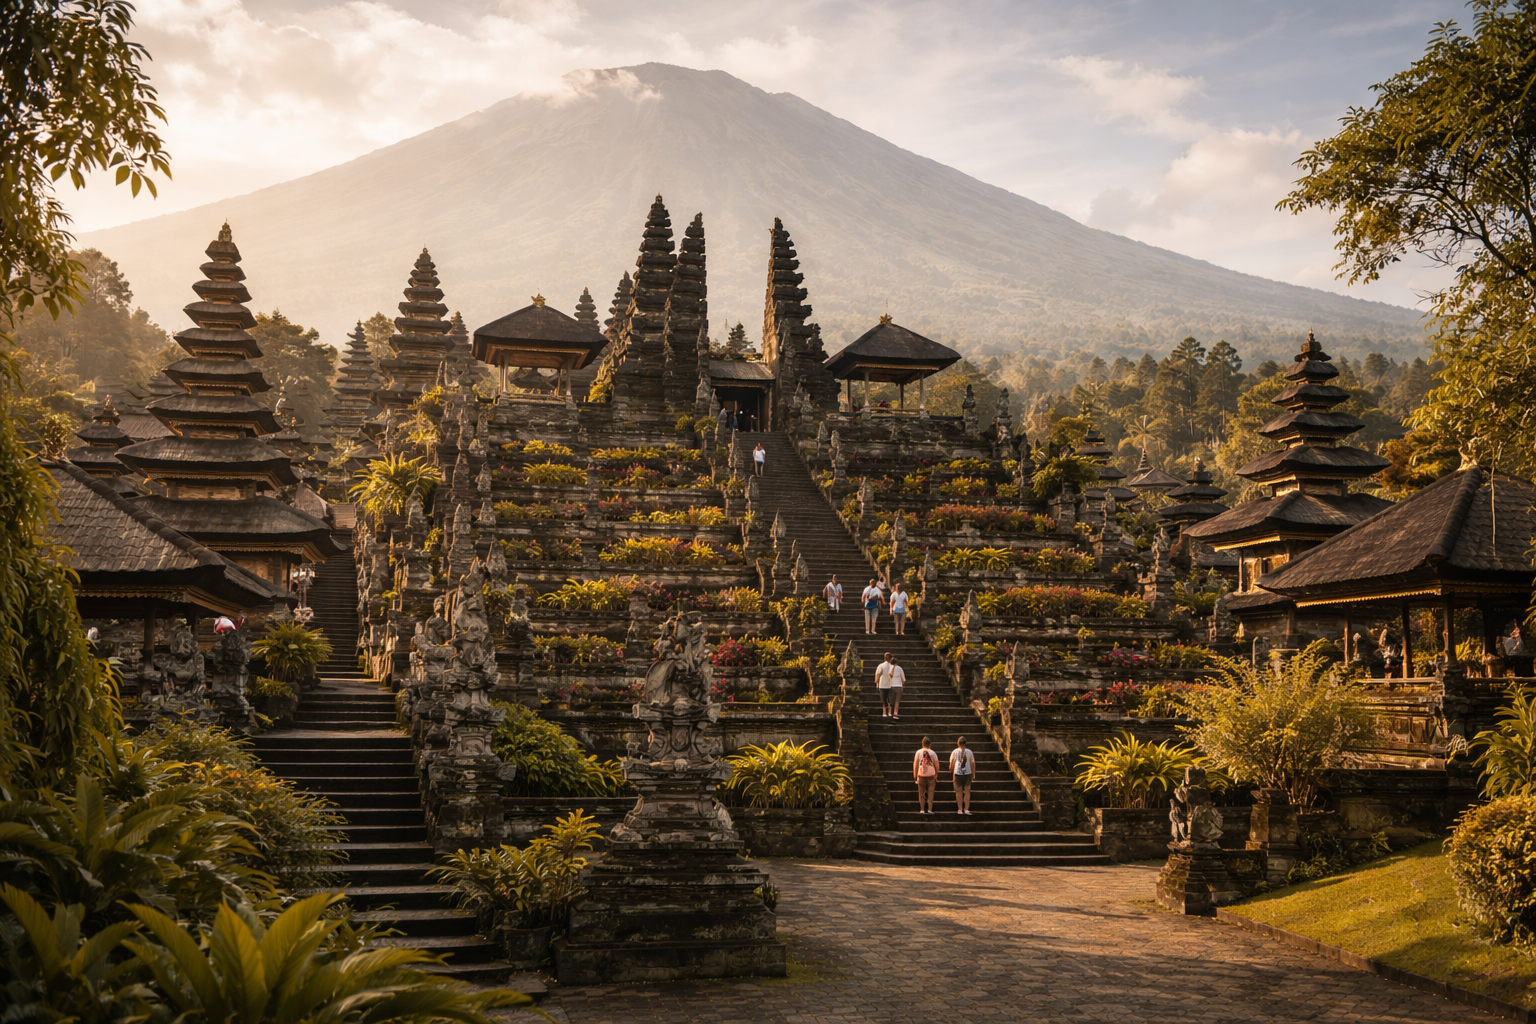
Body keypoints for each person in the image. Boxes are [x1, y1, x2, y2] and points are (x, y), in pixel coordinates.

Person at [913, 737, 940, 814]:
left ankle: (922, 809)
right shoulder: (933, 753)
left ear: (922, 744)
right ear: (930, 744)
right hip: (931, 774)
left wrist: (915, 775)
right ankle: (930, 809)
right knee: (931, 792)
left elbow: (915, 764)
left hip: (921, 773)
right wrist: (936, 773)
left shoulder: (918, 752)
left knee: (921, 792)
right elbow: (937, 764)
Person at [950, 736, 976, 815]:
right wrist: (973, 774)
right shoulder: (969, 752)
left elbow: (952, 763)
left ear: (958, 743)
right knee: (967, 791)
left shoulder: (955, 751)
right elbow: (972, 762)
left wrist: (952, 771)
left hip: (958, 773)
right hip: (968, 773)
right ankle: (966, 809)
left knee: (958, 792)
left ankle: (960, 809)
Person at [875, 652, 895, 717]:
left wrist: (877, 682)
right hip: (890, 684)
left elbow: (877, 674)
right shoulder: (892, 666)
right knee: (889, 699)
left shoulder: (881, 665)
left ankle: (884, 712)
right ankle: (889, 712)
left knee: (883, 699)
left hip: (882, 684)